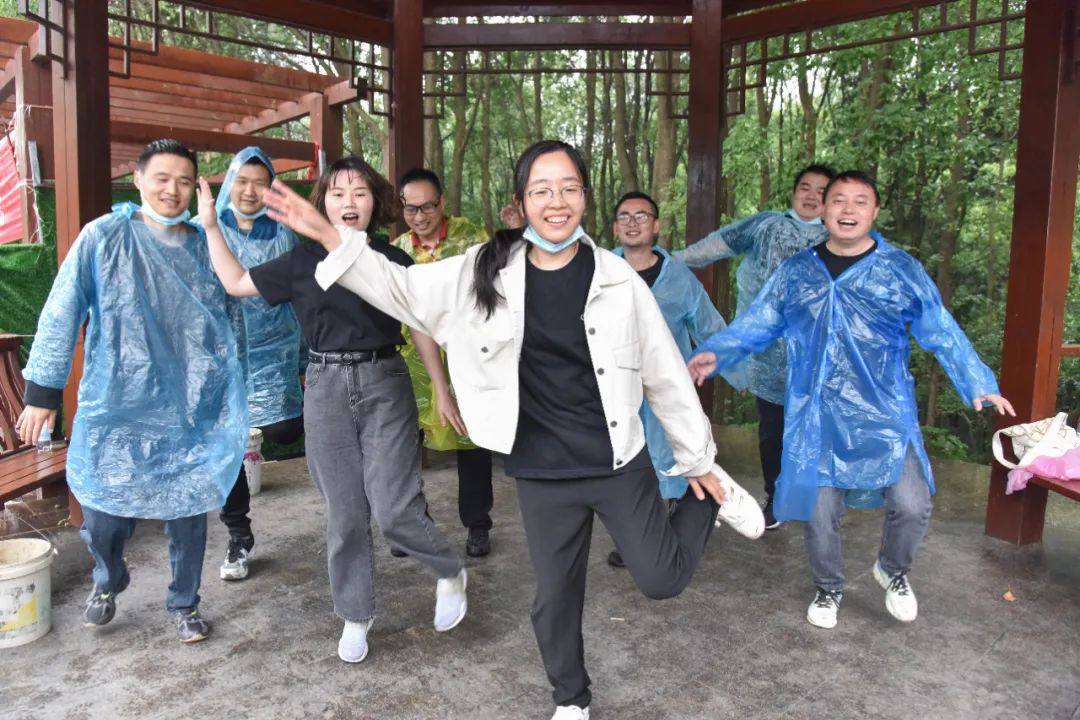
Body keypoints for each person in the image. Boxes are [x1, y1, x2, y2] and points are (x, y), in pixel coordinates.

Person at [260, 139, 764, 720]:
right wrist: (331, 238)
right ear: (521, 203)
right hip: (542, 469)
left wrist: (698, 459)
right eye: (542, 190)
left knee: (661, 579)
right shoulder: (484, 270)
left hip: (616, 460)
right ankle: (571, 698)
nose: (557, 201)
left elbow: (666, 374)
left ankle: (709, 496)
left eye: (569, 188)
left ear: (585, 198)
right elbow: (403, 290)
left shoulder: (618, 280)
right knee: (555, 597)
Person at [687, 170, 1015, 630]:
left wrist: (976, 380)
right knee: (820, 512)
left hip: (884, 413)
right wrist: (717, 353)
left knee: (913, 502)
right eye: (838, 199)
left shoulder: (899, 269)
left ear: (875, 212)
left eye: (860, 201)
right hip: (817, 415)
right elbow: (759, 321)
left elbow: (939, 327)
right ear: (824, 210)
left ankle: (892, 570)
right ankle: (828, 587)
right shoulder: (797, 271)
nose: (848, 209)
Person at [196, 155, 467, 664]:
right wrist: (211, 226)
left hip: (384, 381)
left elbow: (420, 325)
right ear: (322, 203)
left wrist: (441, 388)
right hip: (323, 387)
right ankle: (355, 615)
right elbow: (235, 282)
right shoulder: (300, 262)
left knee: (394, 507)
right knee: (344, 513)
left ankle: (448, 570)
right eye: (338, 193)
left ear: (375, 203)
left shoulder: (391, 258)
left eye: (360, 192)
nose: (349, 202)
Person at [15, 139, 247, 643]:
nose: (172, 190)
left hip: (191, 407)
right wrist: (42, 392)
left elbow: (232, 324)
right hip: (116, 404)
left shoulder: (205, 243)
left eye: (184, 181)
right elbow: (62, 309)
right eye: (162, 178)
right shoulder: (104, 236)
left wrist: (233, 401)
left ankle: (184, 602)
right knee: (103, 515)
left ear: (196, 188)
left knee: (188, 509)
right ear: (138, 179)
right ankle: (108, 578)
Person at [674, 164, 835, 529]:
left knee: (814, 431)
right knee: (772, 431)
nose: (812, 196)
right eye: (805, 187)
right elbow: (714, 247)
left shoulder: (838, 238)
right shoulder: (765, 226)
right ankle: (775, 498)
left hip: (818, 358)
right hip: (766, 354)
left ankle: (815, 501)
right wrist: (671, 260)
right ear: (793, 192)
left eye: (822, 191)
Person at [605, 191, 747, 568]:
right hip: (616, 389)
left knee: (668, 461)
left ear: (656, 225)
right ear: (615, 227)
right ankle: (633, 541)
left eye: (641, 216)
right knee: (623, 463)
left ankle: (662, 539)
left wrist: (737, 371)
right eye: (624, 216)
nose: (632, 223)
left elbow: (708, 325)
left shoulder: (679, 278)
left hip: (667, 388)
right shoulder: (601, 272)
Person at [206, 146, 304, 581]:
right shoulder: (208, 230)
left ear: (271, 190)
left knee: (286, 429)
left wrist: (306, 359)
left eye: (259, 183)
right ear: (229, 182)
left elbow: (301, 297)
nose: (249, 191)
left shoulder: (283, 234)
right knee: (228, 444)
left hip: (275, 350)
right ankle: (238, 534)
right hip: (224, 354)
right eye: (242, 181)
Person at [393, 167, 495, 558]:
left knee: (472, 442)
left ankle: (478, 524)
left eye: (428, 207)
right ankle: (411, 526)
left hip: (467, 358)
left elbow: (492, 288)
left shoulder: (471, 238)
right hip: (414, 365)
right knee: (405, 445)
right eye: (411, 209)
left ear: (442, 203)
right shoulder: (397, 250)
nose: (420, 217)